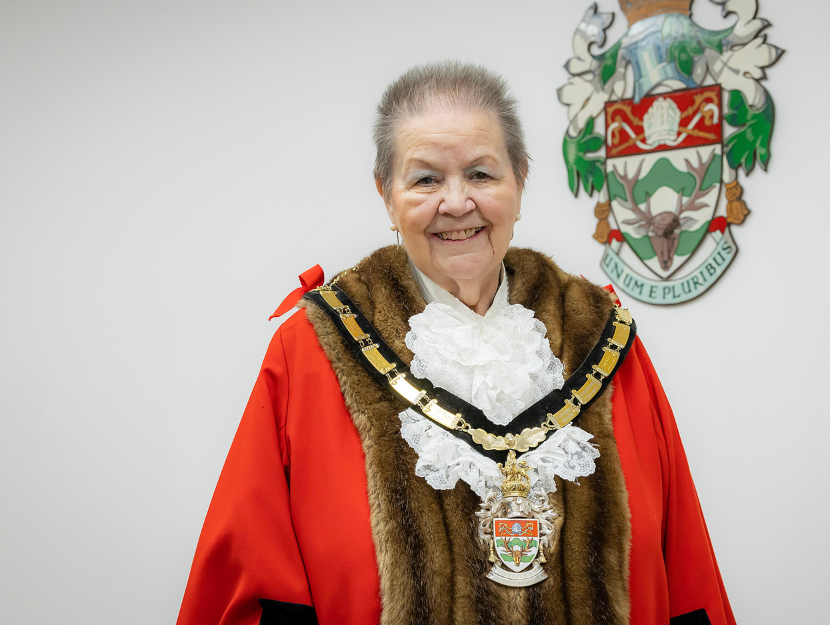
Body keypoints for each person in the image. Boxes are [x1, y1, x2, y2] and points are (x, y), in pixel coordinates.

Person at [177, 61, 735, 625]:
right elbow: (254, 585)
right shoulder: (310, 351)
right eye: (424, 179)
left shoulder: (602, 337)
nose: (456, 203)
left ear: (520, 181)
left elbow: (682, 565)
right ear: (386, 197)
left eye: (481, 174)